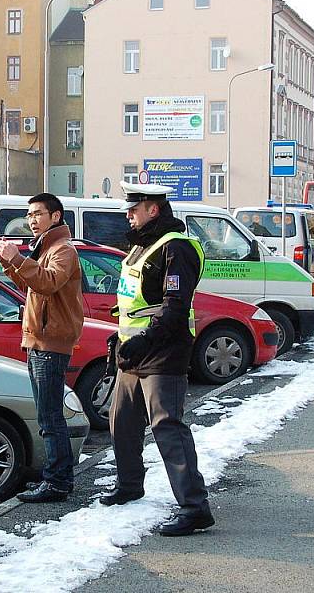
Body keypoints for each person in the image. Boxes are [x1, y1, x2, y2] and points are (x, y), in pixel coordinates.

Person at [101, 181, 214, 537]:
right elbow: (136, 302)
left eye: (134, 210)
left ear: (153, 209)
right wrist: (121, 334)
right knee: (122, 422)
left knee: (167, 427)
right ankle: (129, 485)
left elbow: (175, 308)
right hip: (133, 350)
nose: (128, 216)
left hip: (163, 352)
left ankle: (195, 508)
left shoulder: (176, 248)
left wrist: (145, 339)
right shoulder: (141, 247)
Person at [0, 193, 84, 503]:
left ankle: (57, 481)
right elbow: (29, 285)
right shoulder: (46, 247)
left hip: (51, 341)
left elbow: (47, 283)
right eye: (29, 215)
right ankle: (56, 479)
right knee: (46, 414)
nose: (32, 220)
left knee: (50, 416)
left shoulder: (63, 250)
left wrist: (17, 259)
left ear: (55, 217)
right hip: (37, 339)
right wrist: (8, 261)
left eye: (38, 214)